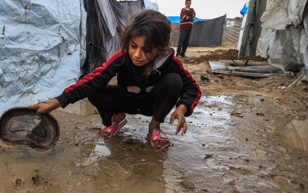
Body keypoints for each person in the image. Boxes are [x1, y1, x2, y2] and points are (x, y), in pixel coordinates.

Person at [31, 9, 201, 149]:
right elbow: (93, 80)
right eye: (133, 46)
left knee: (174, 81)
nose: (137, 54)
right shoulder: (122, 58)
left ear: (159, 49)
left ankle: (154, 127)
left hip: (151, 105)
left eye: (146, 49)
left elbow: (192, 87)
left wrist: (182, 108)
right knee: (95, 91)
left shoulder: (171, 63)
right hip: (126, 100)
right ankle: (115, 121)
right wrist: (55, 103)